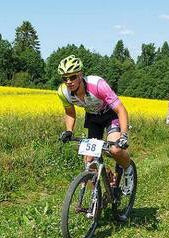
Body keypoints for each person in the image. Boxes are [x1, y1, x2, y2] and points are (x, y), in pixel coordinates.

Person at [57, 55, 133, 191]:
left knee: (114, 149)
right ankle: (98, 198)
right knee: (89, 162)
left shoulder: (97, 85)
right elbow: (70, 113)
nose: (68, 81)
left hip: (111, 116)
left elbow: (121, 109)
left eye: (72, 77)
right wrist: (69, 130)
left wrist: (124, 135)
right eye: (65, 78)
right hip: (93, 118)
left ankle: (128, 169)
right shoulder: (63, 92)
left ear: (80, 75)